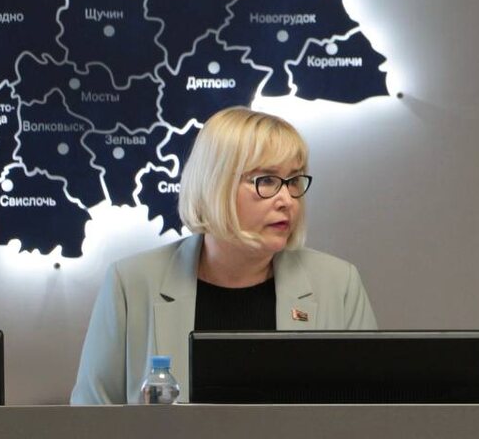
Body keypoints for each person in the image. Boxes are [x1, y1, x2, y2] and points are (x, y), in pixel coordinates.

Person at [71, 107, 377, 404]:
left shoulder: (338, 284)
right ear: (215, 185)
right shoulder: (131, 283)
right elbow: (90, 419)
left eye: (293, 181)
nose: (286, 200)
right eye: (266, 180)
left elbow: (370, 417)